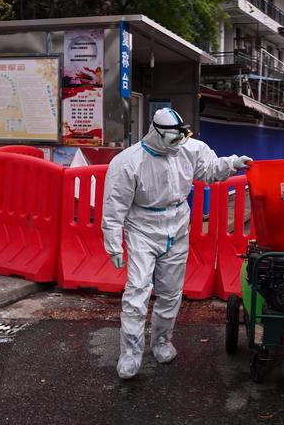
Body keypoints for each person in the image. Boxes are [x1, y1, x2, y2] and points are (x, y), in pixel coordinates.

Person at [102, 107, 252, 379]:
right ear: (156, 133)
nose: (177, 146)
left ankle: (161, 341)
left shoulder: (188, 149)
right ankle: (131, 352)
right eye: (172, 141)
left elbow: (209, 170)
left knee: (171, 291)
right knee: (137, 291)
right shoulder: (128, 163)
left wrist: (232, 164)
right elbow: (114, 207)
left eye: (180, 139)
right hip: (142, 228)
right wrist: (113, 243)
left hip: (177, 225)